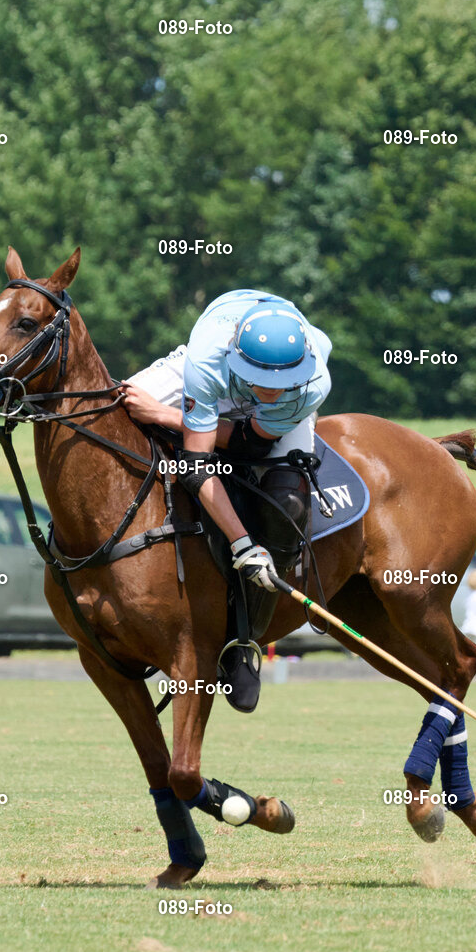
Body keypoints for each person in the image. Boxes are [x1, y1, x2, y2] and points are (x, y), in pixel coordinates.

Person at [121, 289, 332, 712]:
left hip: (256, 421)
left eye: (279, 385)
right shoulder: (207, 360)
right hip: (213, 372)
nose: (269, 392)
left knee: (287, 504)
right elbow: (197, 465)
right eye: (262, 383)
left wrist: (163, 416)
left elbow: (248, 442)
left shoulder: (311, 382)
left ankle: (243, 640)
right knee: (116, 406)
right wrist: (242, 543)